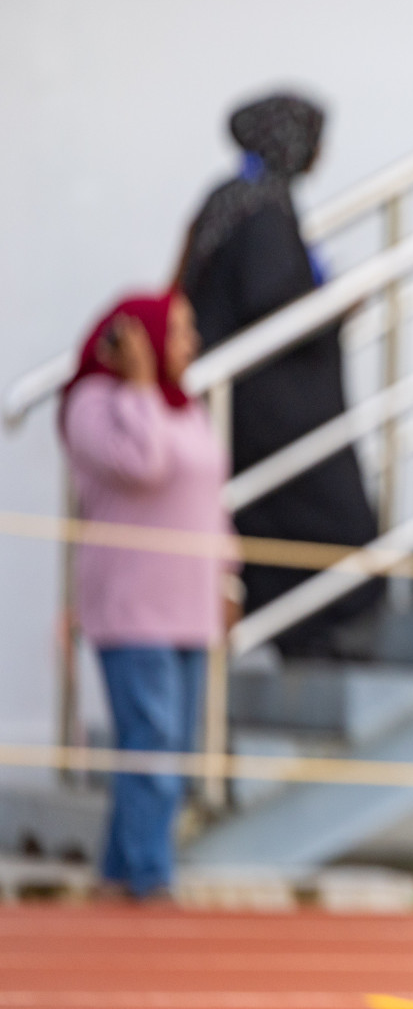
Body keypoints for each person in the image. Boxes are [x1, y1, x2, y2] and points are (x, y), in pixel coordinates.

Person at [177, 91, 382, 657]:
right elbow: (271, 301)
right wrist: (332, 308)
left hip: (253, 410)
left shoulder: (235, 200)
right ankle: (321, 635)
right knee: (326, 519)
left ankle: (302, 635)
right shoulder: (262, 209)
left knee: (277, 524)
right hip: (276, 413)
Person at [60, 291, 237, 901]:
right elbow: (142, 465)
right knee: (150, 743)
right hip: (132, 605)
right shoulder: (93, 405)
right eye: (179, 331)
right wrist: (136, 385)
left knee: (173, 750)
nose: (190, 343)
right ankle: (149, 880)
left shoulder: (187, 409)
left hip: (190, 602)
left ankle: (117, 876)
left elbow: (210, 497)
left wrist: (229, 576)